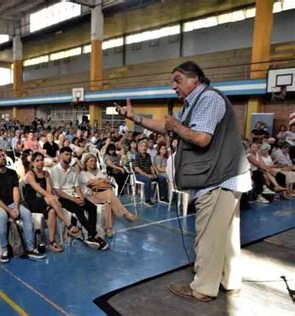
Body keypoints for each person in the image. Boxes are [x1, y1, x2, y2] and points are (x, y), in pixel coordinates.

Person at [117, 61, 252, 302]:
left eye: (178, 80)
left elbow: (201, 138)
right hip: (227, 177)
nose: (173, 86)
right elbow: (165, 126)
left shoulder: (208, 99)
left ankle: (202, 288)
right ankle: (228, 280)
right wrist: (134, 117)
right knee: (226, 235)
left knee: (208, 236)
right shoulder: (193, 105)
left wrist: (178, 127)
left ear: (195, 80)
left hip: (218, 179)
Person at [0, 148, 45, 263]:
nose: (2, 157)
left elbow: (16, 191)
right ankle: (4, 249)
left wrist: (16, 208)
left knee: (26, 213)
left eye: (2, 155)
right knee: (2, 215)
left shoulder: (12, 173)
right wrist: (9, 210)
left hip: (12, 203)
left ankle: (30, 247)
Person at [50, 147, 108, 250]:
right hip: (62, 198)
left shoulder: (72, 170)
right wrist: (74, 200)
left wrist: (81, 198)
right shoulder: (54, 170)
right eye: (66, 154)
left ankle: (90, 236)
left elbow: (77, 187)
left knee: (92, 207)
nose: (69, 157)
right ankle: (94, 235)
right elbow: (57, 191)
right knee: (78, 210)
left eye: (70, 155)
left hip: (74, 195)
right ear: (60, 155)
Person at [24, 152, 81, 252]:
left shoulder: (46, 173)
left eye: (41, 160)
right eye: (37, 161)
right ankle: (69, 225)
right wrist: (53, 200)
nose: (40, 162)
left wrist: (51, 198)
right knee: (52, 199)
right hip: (32, 202)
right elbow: (39, 190)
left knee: (52, 212)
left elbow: (49, 190)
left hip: (46, 201)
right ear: (32, 163)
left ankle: (52, 241)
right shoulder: (30, 174)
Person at [79, 154, 137, 238]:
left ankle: (108, 228)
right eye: (91, 161)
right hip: (91, 196)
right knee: (110, 194)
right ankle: (126, 214)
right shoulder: (83, 174)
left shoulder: (98, 171)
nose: (93, 163)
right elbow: (92, 184)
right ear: (86, 163)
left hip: (102, 193)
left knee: (108, 202)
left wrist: (98, 181)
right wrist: (100, 181)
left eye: (95, 161)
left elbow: (107, 182)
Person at [132, 140, 169, 206]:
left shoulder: (148, 155)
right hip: (139, 175)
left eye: (145, 146)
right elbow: (137, 169)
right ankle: (147, 200)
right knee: (148, 180)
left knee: (162, 178)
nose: (144, 148)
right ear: (139, 147)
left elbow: (151, 166)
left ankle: (163, 197)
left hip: (148, 174)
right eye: (142, 146)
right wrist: (147, 175)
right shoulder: (136, 155)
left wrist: (153, 174)